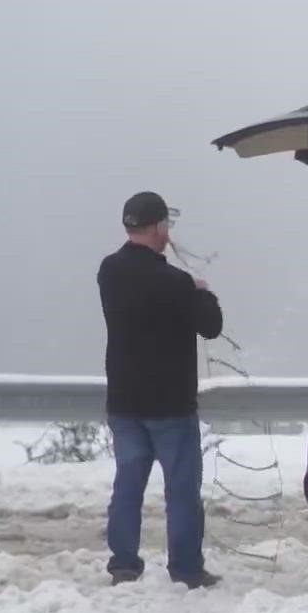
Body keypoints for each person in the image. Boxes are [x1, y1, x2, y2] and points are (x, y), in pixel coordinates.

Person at [98, 191, 225, 588]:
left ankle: (123, 564)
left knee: (128, 485)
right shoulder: (175, 282)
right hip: (170, 403)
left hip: (124, 400)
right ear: (157, 228)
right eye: (165, 225)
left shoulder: (109, 271)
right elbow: (211, 326)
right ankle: (185, 569)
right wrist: (202, 291)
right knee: (182, 490)